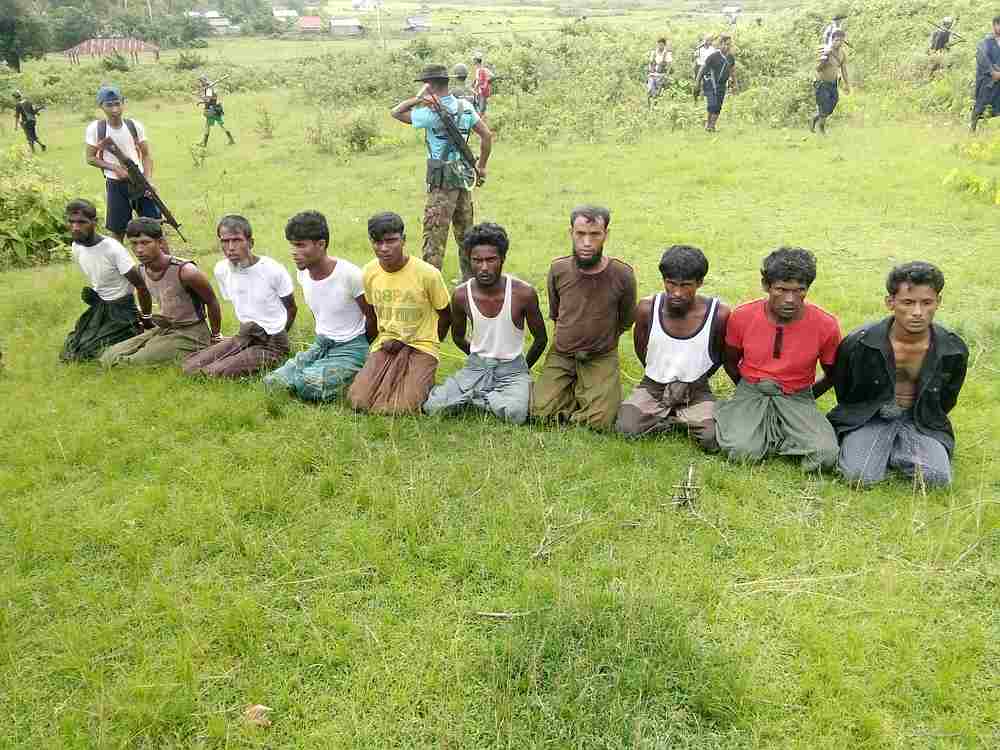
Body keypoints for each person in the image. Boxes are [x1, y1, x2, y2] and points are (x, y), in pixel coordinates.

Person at [828, 262, 967, 488]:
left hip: (920, 419)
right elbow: (844, 389)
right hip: (870, 416)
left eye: (927, 302)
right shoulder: (861, 342)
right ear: (890, 302)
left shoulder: (952, 348)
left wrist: (926, 415)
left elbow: (948, 396)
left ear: (938, 303)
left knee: (936, 479)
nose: (917, 312)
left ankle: (895, 447)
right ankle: (878, 446)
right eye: (908, 302)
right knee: (858, 477)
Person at [714, 247, 841, 472]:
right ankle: (754, 423)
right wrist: (746, 388)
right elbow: (730, 360)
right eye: (781, 289)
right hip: (752, 390)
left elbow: (832, 374)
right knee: (741, 451)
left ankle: (777, 432)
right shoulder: (742, 316)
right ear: (766, 286)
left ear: (807, 288)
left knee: (825, 456)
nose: (790, 299)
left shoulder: (825, 325)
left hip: (797, 395)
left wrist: (805, 396)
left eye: (799, 290)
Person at [423, 222, 548, 424]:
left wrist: (523, 369)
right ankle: (484, 397)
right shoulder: (462, 294)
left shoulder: (523, 293)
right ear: (468, 260)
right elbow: (457, 336)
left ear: (503, 259)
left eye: (491, 260)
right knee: (433, 406)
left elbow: (541, 339)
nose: (484, 267)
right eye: (477, 260)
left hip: (512, 369)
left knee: (516, 413)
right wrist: (477, 360)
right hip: (477, 366)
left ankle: (476, 397)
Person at [616, 245, 731, 450]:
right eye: (671, 284)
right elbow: (642, 350)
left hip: (696, 388)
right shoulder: (646, 309)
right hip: (654, 384)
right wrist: (661, 376)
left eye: (686, 285)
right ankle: (677, 418)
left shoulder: (719, 314)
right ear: (663, 280)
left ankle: (673, 416)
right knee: (626, 428)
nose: (677, 292)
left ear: (700, 282)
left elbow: (718, 356)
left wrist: (695, 381)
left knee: (712, 439)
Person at [532, 205, 637, 431]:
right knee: (539, 412)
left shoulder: (622, 274)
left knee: (600, 421)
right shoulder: (558, 269)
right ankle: (579, 392)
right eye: (580, 234)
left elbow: (627, 318)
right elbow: (556, 312)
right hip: (562, 353)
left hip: (600, 355)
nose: (587, 243)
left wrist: (601, 338)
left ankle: (588, 394)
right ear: (571, 233)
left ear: (606, 235)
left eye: (594, 235)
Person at [391, 64, 493, 281]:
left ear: (430, 85)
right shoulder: (465, 106)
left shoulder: (429, 113)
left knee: (434, 237)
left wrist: (419, 98)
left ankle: (430, 287)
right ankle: (469, 282)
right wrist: (482, 166)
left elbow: (396, 112)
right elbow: (486, 135)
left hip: (441, 183)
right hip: (464, 178)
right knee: (466, 234)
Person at [347, 212, 452, 415]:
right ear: (371, 242)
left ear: (403, 240)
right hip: (386, 344)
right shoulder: (369, 272)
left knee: (399, 409)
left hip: (421, 346)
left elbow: (446, 314)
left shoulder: (428, 274)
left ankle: (422, 380)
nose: (384, 248)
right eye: (377, 242)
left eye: (391, 241)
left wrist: (431, 341)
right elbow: (372, 313)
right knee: (358, 401)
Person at [263, 211, 375, 402]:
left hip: (352, 346)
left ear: (321, 244)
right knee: (273, 381)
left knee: (306, 386)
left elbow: (373, 317)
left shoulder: (350, 275)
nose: (294, 252)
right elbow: (321, 313)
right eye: (292, 245)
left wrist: (361, 346)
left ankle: (358, 373)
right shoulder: (303, 274)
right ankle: (324, 368)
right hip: (322, 342)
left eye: (300, 245)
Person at [183, 215, 296, 378]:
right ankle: (245, 351)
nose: (230, 247)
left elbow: (291, 308)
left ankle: (271, 355)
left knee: (210, 373)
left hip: (272, 340)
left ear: (250, 243)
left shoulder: (272, 270)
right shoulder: (222, 269)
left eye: (237, 240)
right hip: (245, 334)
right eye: (225, 241)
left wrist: (278, 336)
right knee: (190, 365)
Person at [100, 218, 221, 367]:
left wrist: (215, 336)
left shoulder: (186, 271)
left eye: (145, 243)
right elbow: (142, 291)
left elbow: (212, 301)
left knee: (129, 363)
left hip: (192, 333)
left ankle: (194, 348)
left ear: (160, 242)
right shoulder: (142, 270)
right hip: (166, 327)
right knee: (108, 356)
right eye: (134, 243)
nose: (139, 250)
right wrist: (146, 318)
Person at [60, 199, 153, 362]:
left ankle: (134, 330)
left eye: (82, 222)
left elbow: (141, 285)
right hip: (101, 306)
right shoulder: (77, 246)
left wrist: (146, 318)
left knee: (89, 351)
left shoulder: (113, 249)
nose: (75, 227)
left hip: (122, 311)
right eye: (71, 222)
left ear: (94, 222)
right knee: (72, 346)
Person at [84, 85, 161, 243]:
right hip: (115, 184)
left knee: (154, 226)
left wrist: (148, 181)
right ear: (101, 106)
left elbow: (146, 155)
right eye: (109, 105)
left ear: (123, 103)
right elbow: (90, 158)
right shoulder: (96, 129)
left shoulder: (134, 126)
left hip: (139, 181)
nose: (115, 109)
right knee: (118, 231)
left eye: (117, 103)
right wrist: (114, 168)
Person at [695, 34, 737, 132]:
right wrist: (697, 82)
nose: (727, 47)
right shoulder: (713, 56)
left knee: (718, 106)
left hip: (722, 85)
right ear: (721, 44)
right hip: (710, 83)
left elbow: (733, 71)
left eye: (729, 45)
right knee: (712, 105)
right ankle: (709, 124)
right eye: (725, 44)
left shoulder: (730, 57)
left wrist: (735, 84)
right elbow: (702, 69)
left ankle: (711, 126)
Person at [812, 29, 850, 134]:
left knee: (831, 106)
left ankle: (816, 117)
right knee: (824, 106)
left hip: (833, 84)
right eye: (837, 40)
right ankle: (821, 128)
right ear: (832, 40)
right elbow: (818, 68)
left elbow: (844, 70)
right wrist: (825, 58)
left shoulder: (842, 53)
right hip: (821, 83)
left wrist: (847, 84)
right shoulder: (824, 50)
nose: (839, 43)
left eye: (842, 41)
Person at [970, 16, 1000, 132]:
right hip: (987, 80)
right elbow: (982, 57)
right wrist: (992, 72)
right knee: (981, 104)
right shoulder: (986, 42)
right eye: (999, 24)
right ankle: (972, 129)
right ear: (994, 25)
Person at [197, 75, 235, 147]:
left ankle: (204, 143)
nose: (200, 83)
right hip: (212, 109)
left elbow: (207, 100)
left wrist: (200, 96)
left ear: (204, 81)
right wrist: (201, 100)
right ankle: (204, 143)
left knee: (213, 126)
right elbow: (210, 99)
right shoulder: (209, 88)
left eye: (201, 81)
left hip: (211, 110)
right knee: (212, 125)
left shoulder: (209, 89)